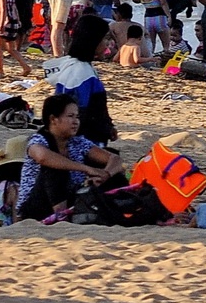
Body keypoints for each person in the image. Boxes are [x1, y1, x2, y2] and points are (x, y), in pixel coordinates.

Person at [16, 92, 125, 222]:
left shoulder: (77, 142)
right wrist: (86, 169)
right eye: (70, 116)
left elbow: (115, 159)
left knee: (115, 175)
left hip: (70, 198)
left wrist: (106, 174)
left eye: (77, 117)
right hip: (37, 207)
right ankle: (61, 217)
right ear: (53, 119)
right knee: (55, 168)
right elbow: (42, 157)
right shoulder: (39, 139)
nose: (76, 122)